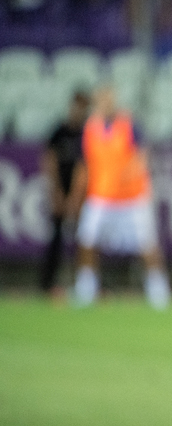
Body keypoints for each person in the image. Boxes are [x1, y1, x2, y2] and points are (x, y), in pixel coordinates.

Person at [72, 85, 171, 309]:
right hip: (100, 196)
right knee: (86, 240)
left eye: (108, 99)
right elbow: (84, 165)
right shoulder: (90, 128)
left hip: (131, 197)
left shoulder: (129, 124)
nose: (105, 103)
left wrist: (130, 173)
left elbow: (142, 156)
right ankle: (85, 288)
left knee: (147, 244)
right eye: (101, 100)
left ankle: (159, 292)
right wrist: (77, 195)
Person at [39, 90, 89, 298]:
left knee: (85, 240)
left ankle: (85, 284)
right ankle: (48, 283)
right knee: (57, 237)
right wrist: (56, 190)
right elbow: (49, 159)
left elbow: (85, 167)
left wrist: (76, 198)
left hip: (81, 193)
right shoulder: (60, 130)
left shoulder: (87, 132)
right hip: (61, 189)